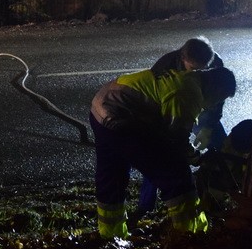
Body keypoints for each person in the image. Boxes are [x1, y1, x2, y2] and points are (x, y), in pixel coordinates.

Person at [90, 65, 237, 239]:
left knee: (112, 174)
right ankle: (191, 235)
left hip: (102, 107)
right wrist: (196, 159)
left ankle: (111, 235)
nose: (215, 105)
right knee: (177, 176)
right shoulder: (189, 93)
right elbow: (176, 140)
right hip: (123, 119)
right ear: (217, 89)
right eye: (220, 99)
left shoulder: (187, 78)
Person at [131, 37, 227, 222]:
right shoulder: (165, 65)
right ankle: (145, 205)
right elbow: (155, 100)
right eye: (194, 70)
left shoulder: (216, 63)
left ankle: (217, 190)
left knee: (222, 146)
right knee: (159, 157)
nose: (199, 74)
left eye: (203, 70)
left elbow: (219, 98)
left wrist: (208, 127)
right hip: (172, 114)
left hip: (202, 111)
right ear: (182, 58)